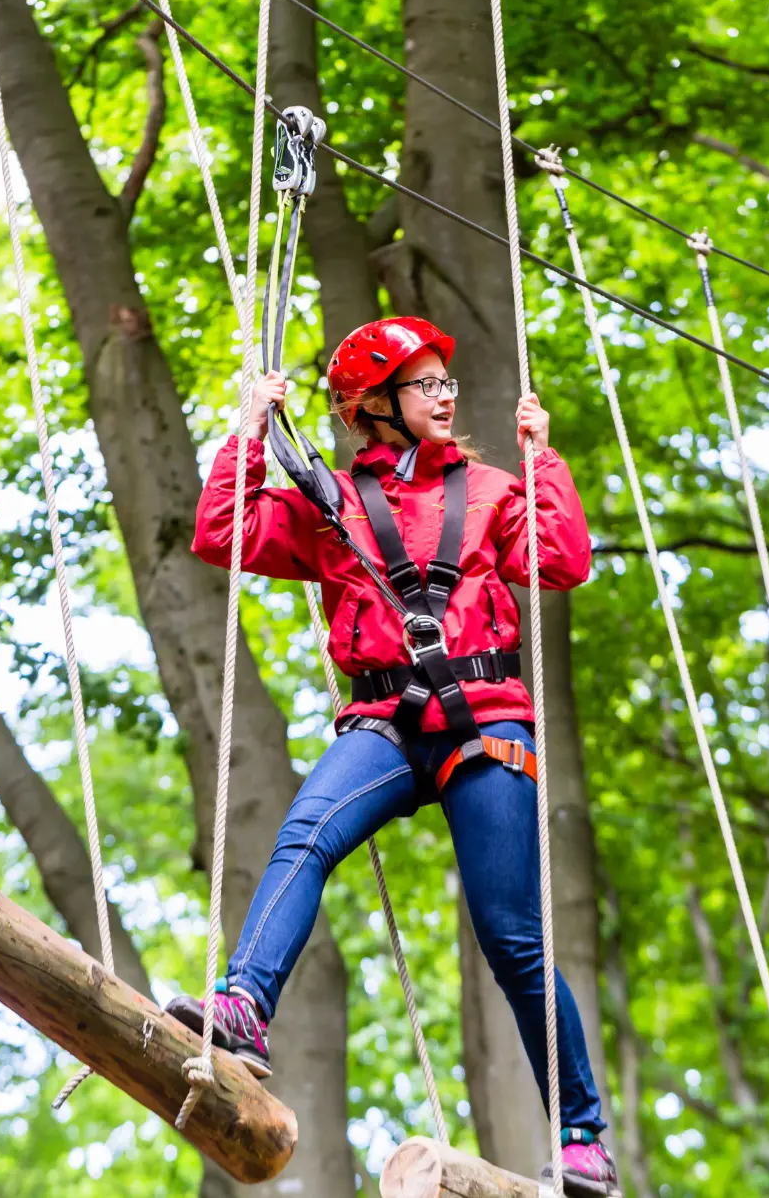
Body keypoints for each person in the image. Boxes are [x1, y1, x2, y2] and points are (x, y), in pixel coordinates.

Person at [168, 317, 618, 1197]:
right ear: (376, 406)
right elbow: (224, 532)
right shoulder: (330, 502)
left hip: (486, 723)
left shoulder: (491, 489)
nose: (448, 395)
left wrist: (544, 462)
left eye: (448, 381)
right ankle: (243, 1005)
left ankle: (583, 1136)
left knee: (514, 936)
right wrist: (248, 435)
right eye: (426, 384)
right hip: (386, 721)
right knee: (307, 833)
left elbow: (560, 563)